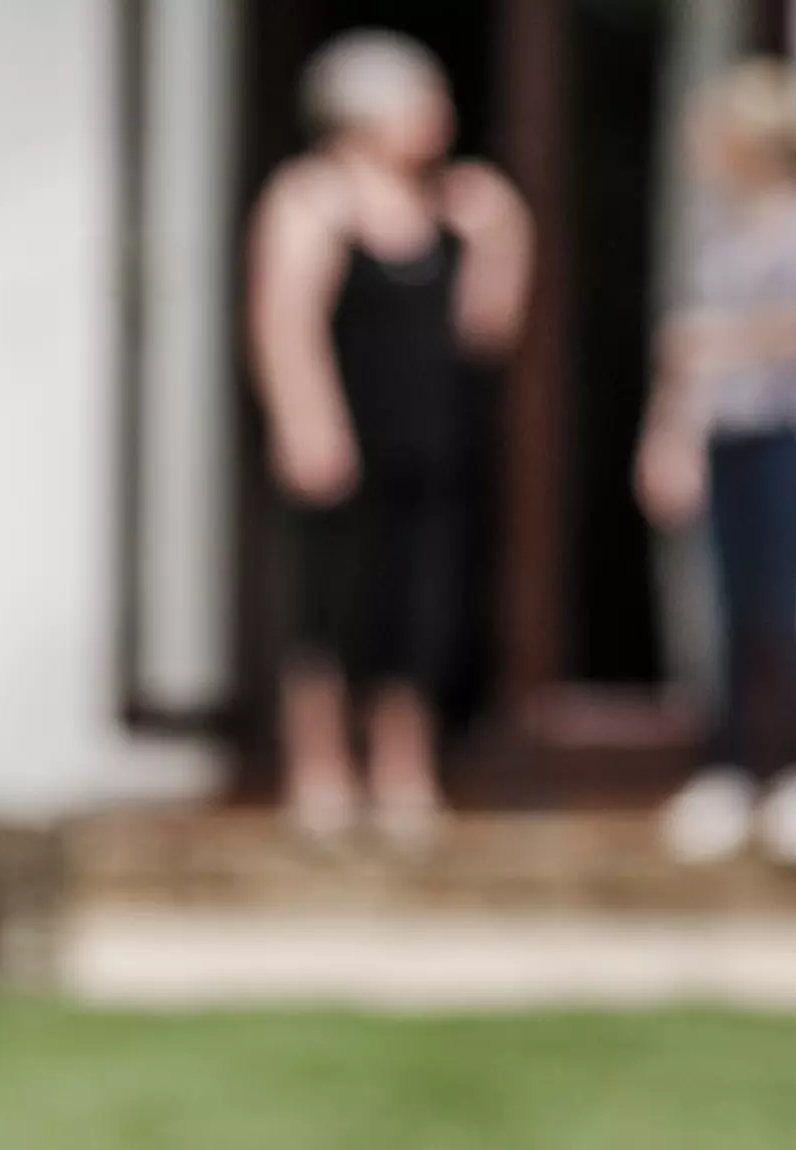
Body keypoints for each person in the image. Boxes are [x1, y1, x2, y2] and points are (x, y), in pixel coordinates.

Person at [248, 30, 532, 845]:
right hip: (342, 436)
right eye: (424, 101)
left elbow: (487, 331)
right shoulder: (311, 197)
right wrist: (307, 423)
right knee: (329, 605)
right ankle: (322, 775)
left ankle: (402, 775)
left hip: (428, 437)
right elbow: (282, 319)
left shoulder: (451, 206)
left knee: (418, 607)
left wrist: (504, 236)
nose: (440, 117)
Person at [635, 58, 796, 866]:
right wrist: (667, 440)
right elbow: (680, 359)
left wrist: (721, 339)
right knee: (718, 612)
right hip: (716, 438)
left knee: (779, 610)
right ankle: (723, 773)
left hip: (780, 440)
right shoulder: (716, 233)